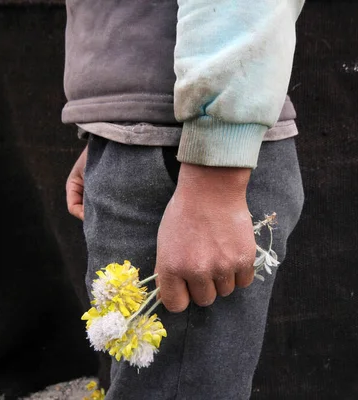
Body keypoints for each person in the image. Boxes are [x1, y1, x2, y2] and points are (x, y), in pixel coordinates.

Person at [64, 0, 305, 398]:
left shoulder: (203, 171)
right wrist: (112, 127)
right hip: (152, 141)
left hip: (189, 160)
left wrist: (214, 176)